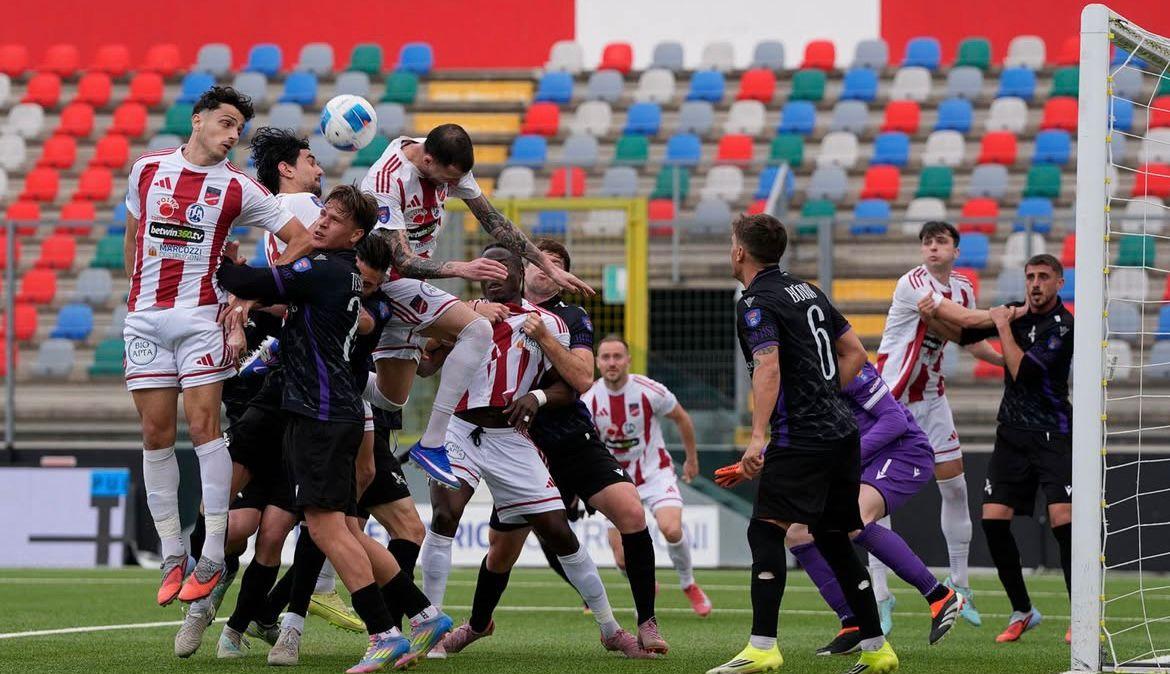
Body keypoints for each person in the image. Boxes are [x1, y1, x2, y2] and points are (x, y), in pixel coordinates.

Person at [216, 185, 451, 672]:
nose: (321, 222)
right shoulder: (340, 274)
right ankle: (423, 614)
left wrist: (213, 253)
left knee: (326, 528)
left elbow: (251, 279)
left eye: (335, 219)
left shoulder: (323, 269)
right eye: (322, 213)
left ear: (356, 234)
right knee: (342, 527)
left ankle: (383, 632)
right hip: (339, 413)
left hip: (319, 416)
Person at [123, 85, 313, 607]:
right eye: (226, 123)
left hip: (202, 320)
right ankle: (171, 555)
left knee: (205, 428)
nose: (233, 135)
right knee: (155, 434)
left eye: (239, 129)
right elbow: (134, 234)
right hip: (145, 321)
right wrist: (135, 295)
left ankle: (209, 554)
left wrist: (251, 295)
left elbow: (302, 239)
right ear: (198, 119)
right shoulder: (147, 169)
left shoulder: (238, 187)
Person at [416, 244, 653, 659]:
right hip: (460, 429)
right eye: (487, 268)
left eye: (504, 266)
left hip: (513, 438)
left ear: (520, 273)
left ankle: (611, 629)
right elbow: (425, 365)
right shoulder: (461, 313)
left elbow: (571, 383)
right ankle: (429, 626)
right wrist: (450, 326)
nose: (495, 274)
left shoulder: (550, 323)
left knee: (557, 532)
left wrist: (538, 396)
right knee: (445, 515)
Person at [709, 213, 898, 674]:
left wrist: (758, 437)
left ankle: (762, 647)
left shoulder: (755, 302)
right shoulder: (807, 290)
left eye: (732, 243)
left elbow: (768, 366)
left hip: (803, 436)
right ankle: (878, 649)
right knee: (833, 538)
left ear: (740, 252)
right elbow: (856, 352)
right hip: (841, 431)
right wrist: (826, 395)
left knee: (765, 530)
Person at [361, 124, 592, 489]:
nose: (451, 187)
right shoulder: (387, 180)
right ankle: (432, 444)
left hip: (407, 285)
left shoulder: (449, 164)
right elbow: (401, 260)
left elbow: (494, 221)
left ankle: (332, 370)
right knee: (477, 328)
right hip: (384, 281)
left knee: (392, 399)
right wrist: (461, 268)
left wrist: (547, 266)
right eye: (447, 180)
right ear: (428, 160)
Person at [917, 253, 1074, 645]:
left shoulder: (1063, 325)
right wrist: (931, 318)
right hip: (1011, 435)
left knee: (1063, 522)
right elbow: (968, 338)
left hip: (1052, 433)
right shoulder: (1016, 314)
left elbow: (1022, 370)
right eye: (1030, 277)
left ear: (1059, 283)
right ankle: (1023, 610)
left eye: (1043, 277)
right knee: (993, 521)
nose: (1035, 284)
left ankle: (1082, 613)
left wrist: (1002, 324)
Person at [871, 221, 1003, 631]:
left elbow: (967, 335)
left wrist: (1007, 362)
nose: (932, 247)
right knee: (873, 497)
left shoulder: (963, 287)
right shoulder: (912, 282)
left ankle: (960, 586)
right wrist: (1008, 317)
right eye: (926, 241)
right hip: (890, 400)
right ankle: (880, 594)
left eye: (940, 241)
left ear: (955, 251)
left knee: (956, 486)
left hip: (931, 398)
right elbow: (962, 319)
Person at [788, 362, 963, 656]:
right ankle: (853, 623)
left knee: (854, 519)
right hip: (862, 461)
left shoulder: (844, 364)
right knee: (799, 534)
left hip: (903, 452)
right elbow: (796, 437)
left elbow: (895, 421)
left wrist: (848, 457)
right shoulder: (801, 377)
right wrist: (755, 459)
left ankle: (939, 595)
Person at [580, 335, 711, 616]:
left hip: (654, 473)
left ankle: (688, 584)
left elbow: (682, 418)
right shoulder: (588, 399)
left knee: (671, 529)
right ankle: (646, 581)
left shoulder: (649, 390)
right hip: (614, 479)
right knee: (622, 560)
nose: (612, 363)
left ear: (628, 360)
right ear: (597, 362)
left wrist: (691, 459)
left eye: (617, 356)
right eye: (606, 357)